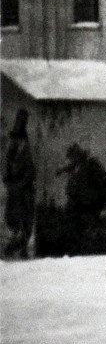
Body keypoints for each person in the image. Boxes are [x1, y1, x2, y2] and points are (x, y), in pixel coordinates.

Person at [4, 110, 36, 258]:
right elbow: (7, 173)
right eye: (14, 139)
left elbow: (30, 174)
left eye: (18, 139)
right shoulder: (11, 153)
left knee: (23, 219)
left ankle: (21, 244)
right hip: (15, 193)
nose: (16, 142)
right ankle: (17, 242)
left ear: (23, 140)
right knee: (12, 218)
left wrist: (18, 185)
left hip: (24, 193)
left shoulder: (27, 155)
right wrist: (9, 182)